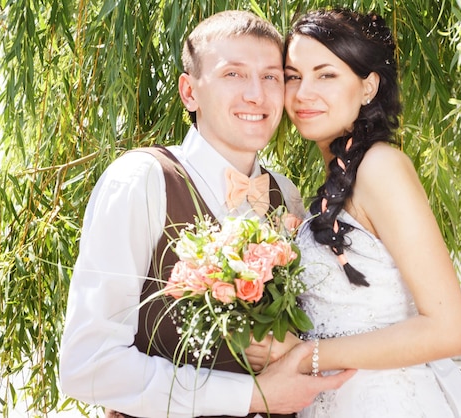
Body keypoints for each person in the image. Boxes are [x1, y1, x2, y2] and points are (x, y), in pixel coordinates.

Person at [58, 10, 355, 418]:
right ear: (189, 92)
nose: (256, 94)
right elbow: (88, 367)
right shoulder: (141, 180)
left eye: (271, 76)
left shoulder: (286, 194)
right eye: (232, 74)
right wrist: (249, 396)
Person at [245, 8, 461, 417]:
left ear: (368, 87)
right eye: (293, 75)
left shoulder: (381, 167)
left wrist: (305, 355)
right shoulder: (332, 182)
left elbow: (449, 330)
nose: (302, 93)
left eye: (326, 74)